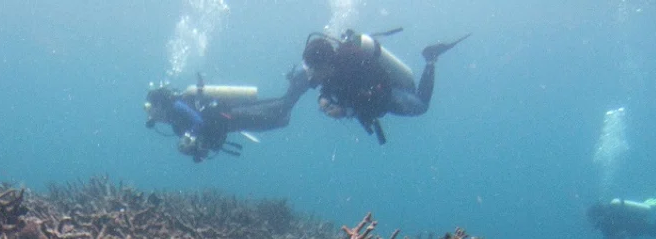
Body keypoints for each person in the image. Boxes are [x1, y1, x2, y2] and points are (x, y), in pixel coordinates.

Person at [296, 28, 470, 144]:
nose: (311, 75)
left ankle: (430, 59)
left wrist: (348, 110)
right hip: (374, 97)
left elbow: (383, 85)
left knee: (421, 105)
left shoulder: (353, 61)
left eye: (313, 69)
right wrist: (323, 100)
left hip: (389, 91)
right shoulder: (329, 73)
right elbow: (328, 89)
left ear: (325, 64)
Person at [145, 77, 308, 163]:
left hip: (228, 116)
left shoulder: (176, 106)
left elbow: (198, 122)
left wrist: (190, 136)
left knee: (278, 109)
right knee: (276, 120)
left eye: (152, 110)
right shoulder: (174, 123)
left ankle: (300, 83)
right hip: (228, 124)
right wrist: (196, 151)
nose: (152, 116)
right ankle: (294, 92)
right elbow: (202, 139)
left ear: (159, 104)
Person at [586, 198, 656, 239]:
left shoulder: (604, 222)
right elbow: (612, 237)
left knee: (654, 232)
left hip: (635, 224)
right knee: (653, 231)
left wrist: (623, 234)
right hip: (635, 222)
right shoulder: (607, 216)